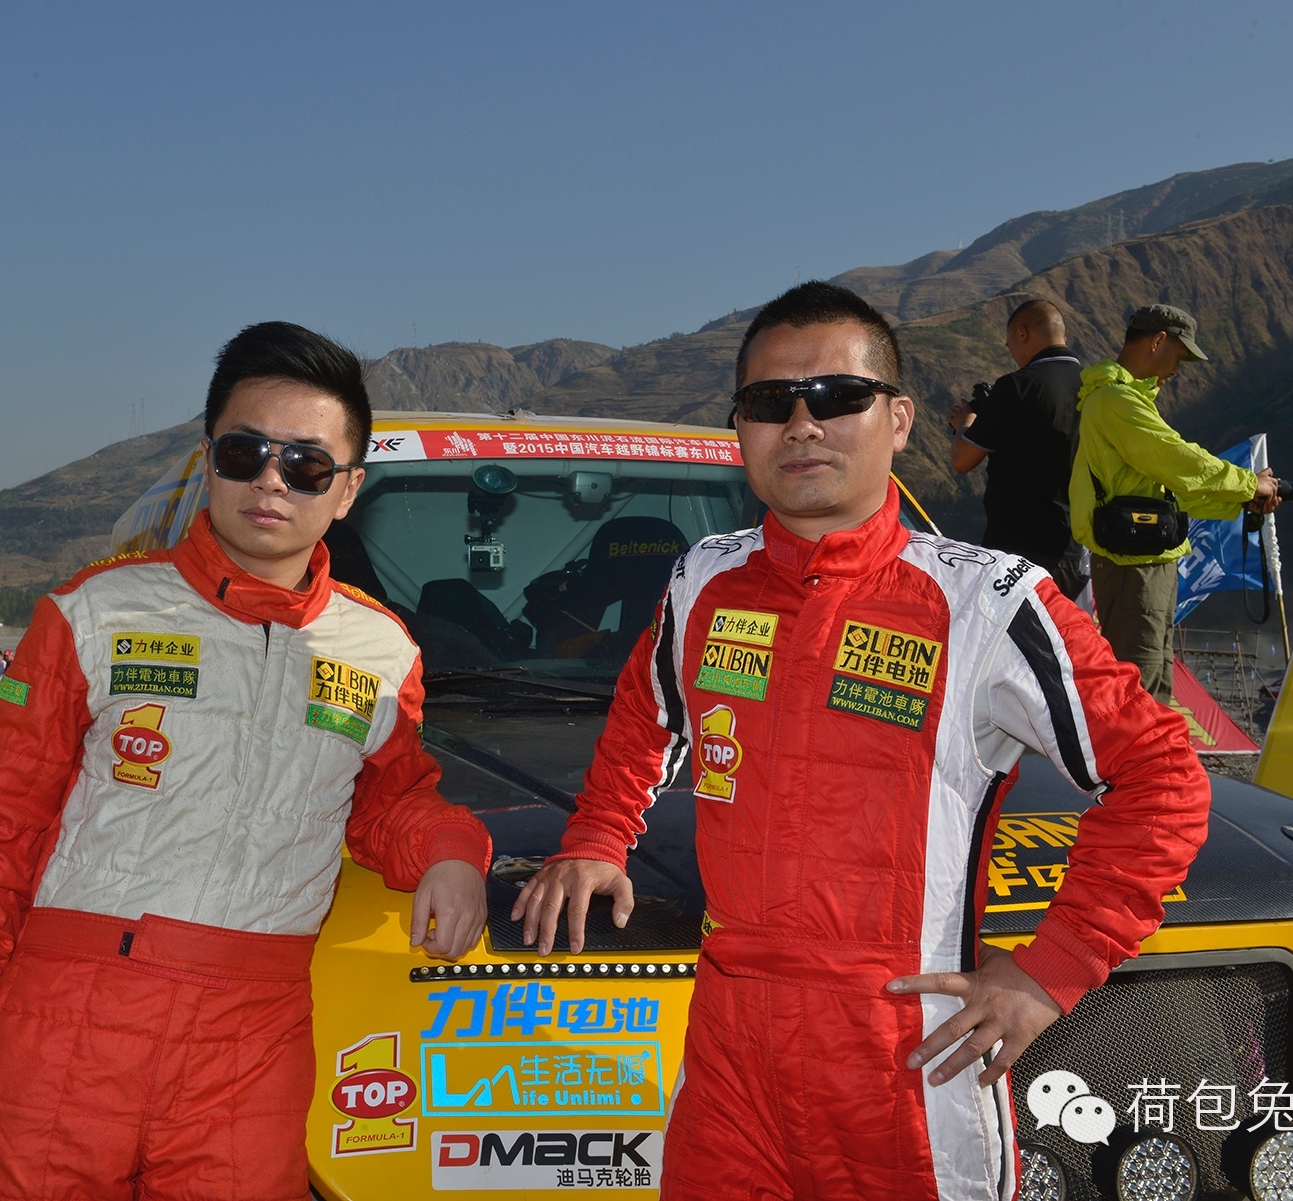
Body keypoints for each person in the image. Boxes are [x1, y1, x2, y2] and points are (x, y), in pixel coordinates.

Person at [512, 281, 1211, 1199]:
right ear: (741, 427)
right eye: (771, 401)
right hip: (730, 1068)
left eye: (838, 396)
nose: (802, 423)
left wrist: (1054, 968)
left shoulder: (989, 600)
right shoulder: (703, 580)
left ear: (898, 419)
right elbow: (648, 710)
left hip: (907, 1070)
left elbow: (1163, 774)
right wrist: (599, 835)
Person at [0, 321, 492, 1201]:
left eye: (307, 464)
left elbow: (390, 800)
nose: (271, 480)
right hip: (62, 1019)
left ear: (348, 490)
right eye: (244, 452)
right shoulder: (92, 612)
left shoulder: (381, 649)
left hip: (251, 1044)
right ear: (208, 459)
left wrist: (453, 853)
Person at [1070, 304, 1280, 703]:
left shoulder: (1123, 399)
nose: (1178, 369)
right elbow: (1178, 460)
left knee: (1154, 681)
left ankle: (1151, 747)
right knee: (1141, 689)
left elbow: (1166, 492)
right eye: (1180, 356)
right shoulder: (1115, 401)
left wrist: (1240, 502)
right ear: (1158, 341)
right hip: (1135, 567)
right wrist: (1248, 483)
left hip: (1145, 561)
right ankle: (1136, 748)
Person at [948, 298, 1087, 596]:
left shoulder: (1017, 386)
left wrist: (965, 424)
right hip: (1072, 549)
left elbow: (962, 460)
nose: (1009, 350)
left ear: (1022, 333)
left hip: (1018, 549)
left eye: (1009, 341)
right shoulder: (1094, 386)